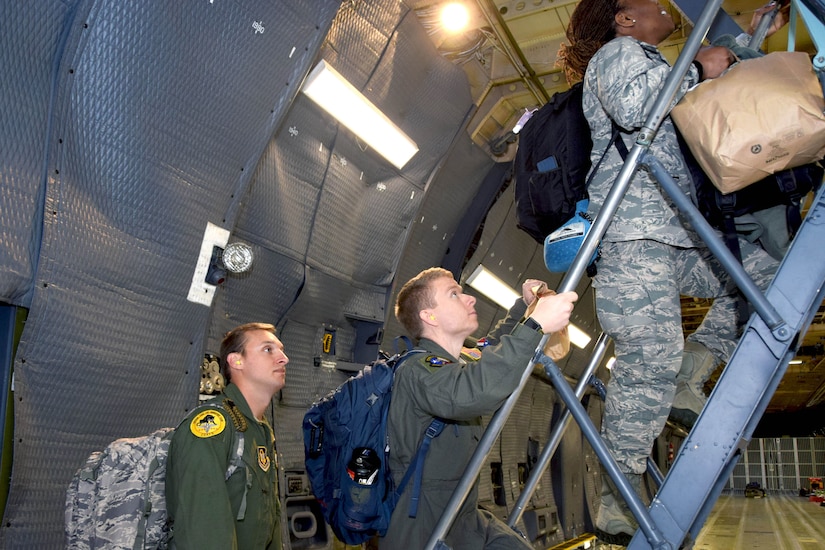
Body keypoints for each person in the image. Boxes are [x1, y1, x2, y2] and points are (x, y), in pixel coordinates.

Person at [557, 1, 785, 544]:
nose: (664, 4)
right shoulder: (617, 54)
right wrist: (696, 65)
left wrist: (747, 40)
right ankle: (618, 495)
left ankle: (695, 367)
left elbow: (706, 96)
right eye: (648, 2)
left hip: (679, 234)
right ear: (624, 19)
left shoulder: (656, 59)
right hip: (632, 236)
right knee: (651, 355)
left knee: (761, 277)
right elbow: (636, 106)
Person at [380, 267, 578, 549]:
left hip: (462, 513)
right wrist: (535, 325)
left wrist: (523, 307)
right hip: (422, 522)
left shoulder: (456, 361)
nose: (470, 299)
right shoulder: (417, 369)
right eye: (454, 294)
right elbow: (472, 392)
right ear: (429, 316)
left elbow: (491, 350)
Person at [166, 322, 288, 549]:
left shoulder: (259, 429)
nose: (283, 358)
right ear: (236, 361)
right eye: (268, 349)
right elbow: (203, 535)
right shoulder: (212, 427)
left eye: (281, 350)